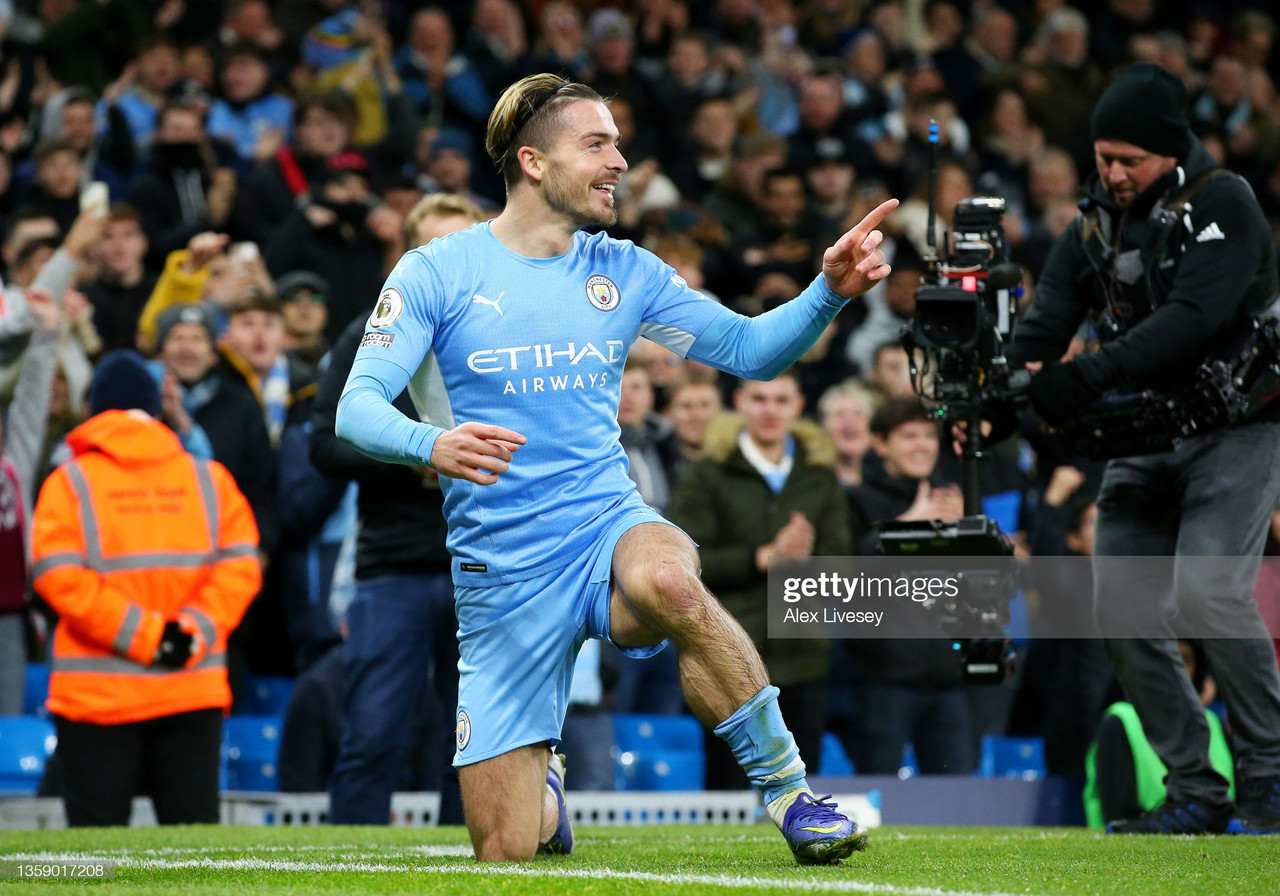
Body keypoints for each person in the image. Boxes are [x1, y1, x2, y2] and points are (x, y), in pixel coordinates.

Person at [336, 73, 897, 864]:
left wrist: (827, 293)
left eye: (620, 144)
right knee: (507, 852)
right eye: (597, 144)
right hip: (502, 575)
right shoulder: (437, 272)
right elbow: (355, 407)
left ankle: (791, 794)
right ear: (533, 161)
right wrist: (432, 445)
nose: (620, 162)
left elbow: (749, 350)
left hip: (606, 529)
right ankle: (546, 792)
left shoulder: (624, 270)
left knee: (670, 582)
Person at [999, 63, 1280, 834]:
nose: (1114, 173)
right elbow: (1045, 320)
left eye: (1131, 160)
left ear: (1171, 152)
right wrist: (1004, 398)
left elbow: (1191, 318)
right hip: (1146, 432)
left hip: (1237, 429)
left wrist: (1083, 376)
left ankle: (1271, 777)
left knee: (1208, 593)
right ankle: (1194, 788)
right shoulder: (1091, 223)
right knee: (1120, 603)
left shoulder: (1224, 202)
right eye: (1104, 157)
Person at [29, 350, 260, 826]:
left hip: (96, 697)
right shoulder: (208, 479)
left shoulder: (68, 483)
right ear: (156, 409)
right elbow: (242, 568)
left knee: (95, 863)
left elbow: (58, 577)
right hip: (190, 690)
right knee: (194, 862)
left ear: (95, 409)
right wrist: (186, 632)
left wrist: (146, 636)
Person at [670, 371, 852, 789]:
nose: (769, 409)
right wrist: (761, 559)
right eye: (759, 398)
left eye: (780, 400)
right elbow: (687, 561)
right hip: (726, 656)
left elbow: (840, 567)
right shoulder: (707, 474)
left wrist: (802, 563)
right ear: (741, 403)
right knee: (730, 791)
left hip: (804, 655)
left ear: (798, 407)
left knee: (804, 786)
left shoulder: (820, 478)